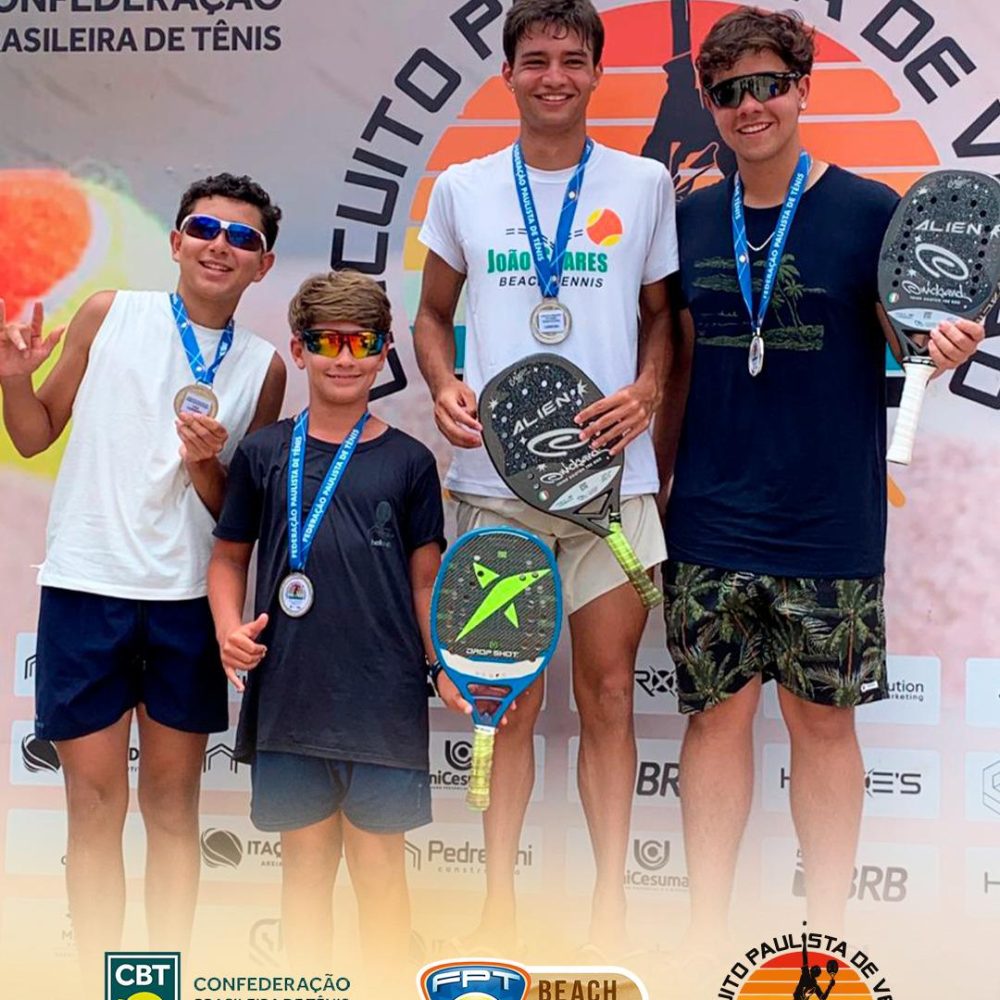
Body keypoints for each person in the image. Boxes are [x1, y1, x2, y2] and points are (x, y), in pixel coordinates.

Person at [655, 6, 986, 958]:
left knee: (824, 728)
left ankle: (828, 940)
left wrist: (951, 349)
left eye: (769, 84)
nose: (750, 105)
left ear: (802, 89)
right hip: (709, 519)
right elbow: (678, 366)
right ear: (710, 102)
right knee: (715, 724)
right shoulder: (687, 220)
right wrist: (662, 491)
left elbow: (913, 347)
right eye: (730, 90)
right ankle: (704, 937)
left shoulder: (870, 212)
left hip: (830, 521)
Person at [413, 0, 677, 956]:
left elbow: (662, 318)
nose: (553, 76)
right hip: (495, 482)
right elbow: (431, 315)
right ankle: (498, 907)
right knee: (508, 702)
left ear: (598, 71)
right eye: (535, 60)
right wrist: (442, 383)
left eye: (571, 59)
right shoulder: (464, 186)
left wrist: (647, 388)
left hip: (610, 482)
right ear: (509, 74)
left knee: (608, 697)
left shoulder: (644, 182)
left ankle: (610, 907)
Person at [0, 172, 286, 975]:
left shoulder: (265, 367)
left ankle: (160, 985)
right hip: (86, 589)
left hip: (185, 604)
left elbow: (236, 514)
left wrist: (203, 467)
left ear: (262, 265)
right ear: (176, 242)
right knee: (93, 808)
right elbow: (33, 436)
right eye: (206, 229)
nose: (220, 246)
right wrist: (14, 377)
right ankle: (101, 980)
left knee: (171, 810)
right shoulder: (108, 313)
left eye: (243, 238)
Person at [208, 270, 452, 980]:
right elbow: (228, 558)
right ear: (300, 349)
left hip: (383, 705)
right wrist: (227, 628)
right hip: (290, 700)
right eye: (327, 342)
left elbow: (426, 582)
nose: (344, 358)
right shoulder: (263, 454)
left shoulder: (410, 463)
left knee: (381, 880)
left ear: (384, 353)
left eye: (362, 342)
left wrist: (442, 667)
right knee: (304, 881)